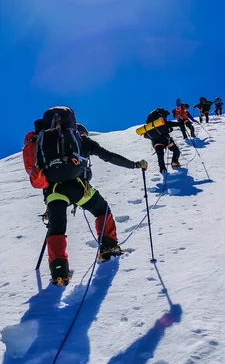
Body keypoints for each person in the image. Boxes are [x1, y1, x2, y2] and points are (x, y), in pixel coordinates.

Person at [31, 107, 148, 285]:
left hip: (53, 193)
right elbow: (109, 156)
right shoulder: (82, 142)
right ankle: (108, 247)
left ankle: (59, 271)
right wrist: (134, 165)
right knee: (102, 209)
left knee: (56, 229)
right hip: (78, 189)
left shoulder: (43, 141)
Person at [142, 108, 182, 174]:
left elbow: (146, 135)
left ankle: (162, 168)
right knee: (176, 150)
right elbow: (167, 124)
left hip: (156, 142)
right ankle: (175, 162)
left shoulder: (151, 123)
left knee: (160, 154)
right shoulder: (161, 120)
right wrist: (179, 124)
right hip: (165, 140)